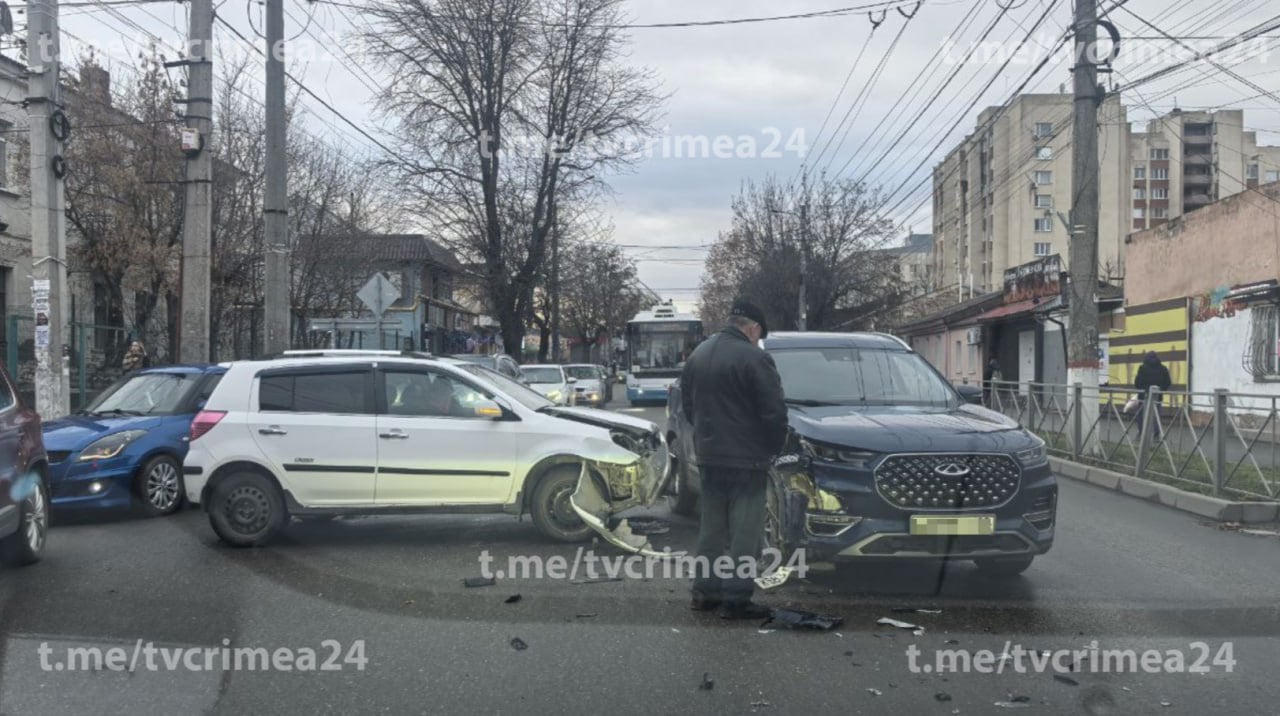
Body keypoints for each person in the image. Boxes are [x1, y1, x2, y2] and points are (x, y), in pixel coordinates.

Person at [680, 298, 789, 620]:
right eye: (758, 334)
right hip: (746, 459)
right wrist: (774, 447)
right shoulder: (754, 358)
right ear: (753, 328)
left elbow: (689, 407)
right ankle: (736, 599)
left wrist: (706, 439)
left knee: (711, 528)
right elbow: (774, 413)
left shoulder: (698, 355)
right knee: (744, 531)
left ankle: (704, 593)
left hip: (709, 456)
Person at [1134, 351, 1172, 438]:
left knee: (1141, 415)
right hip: (1157, 396)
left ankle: (1141, 434)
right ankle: (1156, 434)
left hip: (1144, 395)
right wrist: (1162, 390)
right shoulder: (1163, 368)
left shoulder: (1142, 368)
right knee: (1156, 415)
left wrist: (1142, 389)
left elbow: (1137, 383)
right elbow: (1168, 382)